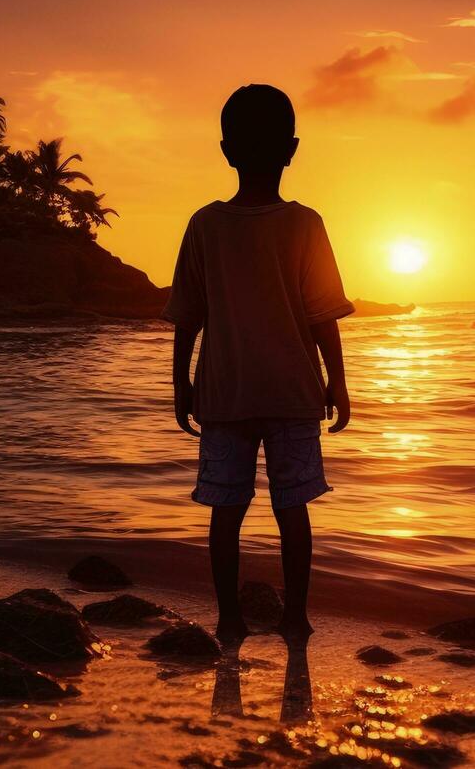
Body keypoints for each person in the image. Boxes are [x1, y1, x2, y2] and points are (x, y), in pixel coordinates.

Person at [163, 83, 353, 646]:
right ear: (291, 148)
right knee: (293, 509)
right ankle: (295, 618)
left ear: (226, 150)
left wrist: (183, 383)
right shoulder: (305, 223)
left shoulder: (205, 224)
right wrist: (336, 382)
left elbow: (187, 318)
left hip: (225, 394)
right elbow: (323, 316)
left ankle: (229, 619)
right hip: (293, 392)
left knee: (226, 509)